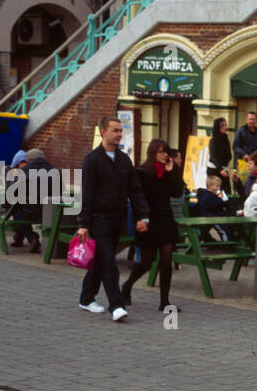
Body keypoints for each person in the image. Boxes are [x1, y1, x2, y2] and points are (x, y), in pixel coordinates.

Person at [76, 115, 149, 321]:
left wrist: (143, 216)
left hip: (117, 219)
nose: (119, 134)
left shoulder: (124, 160)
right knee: (109, 261)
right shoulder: (92, 160)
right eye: (115, 130)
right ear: (103, 132)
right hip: (99, 219)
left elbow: (135, 190)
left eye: (120, 130)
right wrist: (84, 224)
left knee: (100, 261)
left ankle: (86, 297)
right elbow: (87, 193)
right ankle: (116, 306)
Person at [122, 141, 185, 313]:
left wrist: (173, 172)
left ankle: (164, 301)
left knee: (166, 261)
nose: (165, 156)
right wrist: (140, 220)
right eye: (161, 152)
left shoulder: (168, 172)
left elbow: (178, 192)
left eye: (166, 152)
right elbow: (136, 199)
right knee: (146, 263)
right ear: (153, 154)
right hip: (148, 219)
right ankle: (126, 286)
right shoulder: (142, 172)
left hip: (165, 219)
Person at [6, 148, 45, 252]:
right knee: (19, 207)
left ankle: (32, 238)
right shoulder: (54, 170)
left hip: (30, 210)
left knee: (16, 210)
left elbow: (10, 191)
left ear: (29, 160)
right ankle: (19, 238)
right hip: (48, 211)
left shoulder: (23, 172)